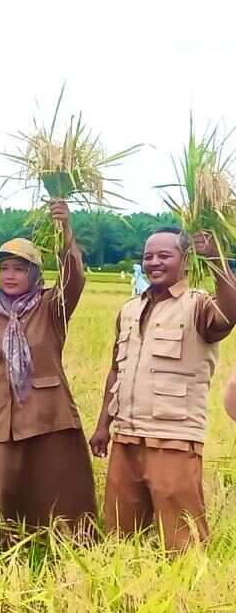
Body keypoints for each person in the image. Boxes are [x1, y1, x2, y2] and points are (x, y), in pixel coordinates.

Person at [0, 200, 96, 533]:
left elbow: (74, 278)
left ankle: (66, 551)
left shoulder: (50, 307)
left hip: (47, 416)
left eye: (19, 268)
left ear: (34, 273)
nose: (10, 275)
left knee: (60, 494)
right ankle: (2, 556)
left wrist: (65, 232)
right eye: (5, 269)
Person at [89, 228, 236, 550]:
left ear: (185, 261)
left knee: (183, 539)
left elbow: (230, 312)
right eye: (148, 256)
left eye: (164, 255)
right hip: (126, 435)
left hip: (174, 436)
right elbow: (116, 370)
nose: (154, 262)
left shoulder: (198, 305)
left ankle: (187, 595)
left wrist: (215, 258)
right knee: (121, 534)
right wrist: (103, 425)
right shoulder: (129, 309)